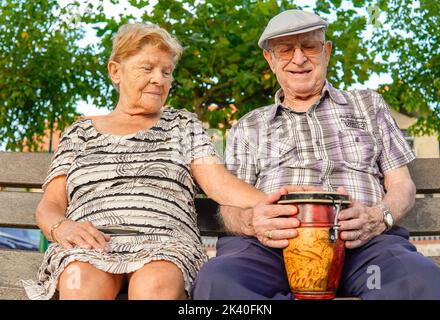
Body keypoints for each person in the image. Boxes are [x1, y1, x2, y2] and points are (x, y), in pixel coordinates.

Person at [191, 10, 440, 300]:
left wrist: (378, 217)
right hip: (272, 252)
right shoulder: (250, 124)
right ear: (270, 60)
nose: (298, 59)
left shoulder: (367, 105)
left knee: (416, 281)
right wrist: (252, 222)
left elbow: (402, 184)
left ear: (326, 51)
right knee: (219, 283)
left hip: (362, 248)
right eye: (286, 50)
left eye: (309, 47)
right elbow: (229, 207)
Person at [22, 22, 280, 300]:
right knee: (79, 281)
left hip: (165, 245)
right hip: (90, 245)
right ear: (115, 71)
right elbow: (49, 206)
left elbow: (219, 183)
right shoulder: (79, 132)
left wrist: (278, 206)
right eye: (147, 69)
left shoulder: (182, 125)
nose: (159, 79)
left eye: (166, 72)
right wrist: (62, 227)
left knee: (155, 285)